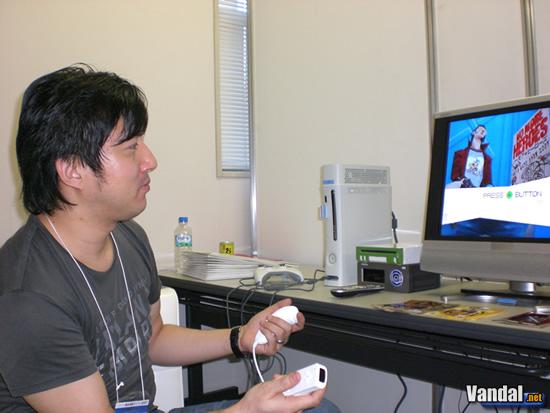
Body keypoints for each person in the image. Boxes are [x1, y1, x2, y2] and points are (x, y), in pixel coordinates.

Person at [0, 65, 340, 413]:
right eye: (130, 147)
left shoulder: (128, 236)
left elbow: (154, 338)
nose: (150, 161)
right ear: (72, 170)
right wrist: (245, 410)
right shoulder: (27, 297)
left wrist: (240, 338)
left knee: (319, 410)